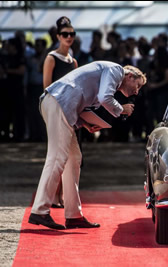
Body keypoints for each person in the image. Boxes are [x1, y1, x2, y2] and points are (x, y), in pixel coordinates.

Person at [28, 61, 146, 229]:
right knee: (57, 158)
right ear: (130, 76)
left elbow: (87, 104)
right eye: (138, 85)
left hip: (58, 103)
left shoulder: (109, 75)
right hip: (58, 102)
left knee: (73, 158)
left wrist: (87, 124)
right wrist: (122, 110)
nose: (137, 91)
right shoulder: (116, 70)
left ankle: (73, 215)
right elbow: (105, 98)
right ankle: (40, 210)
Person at [42, 16, 78, 209]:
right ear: (58, 36)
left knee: (70, 157)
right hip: (56, 111)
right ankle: (53, 197)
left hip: (71, 112)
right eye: (65, 34)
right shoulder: (51, 58)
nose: (69, 37)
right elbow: (46, 88)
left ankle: (62, 196)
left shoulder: (73, 61)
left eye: (72, 34)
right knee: (56, 155)